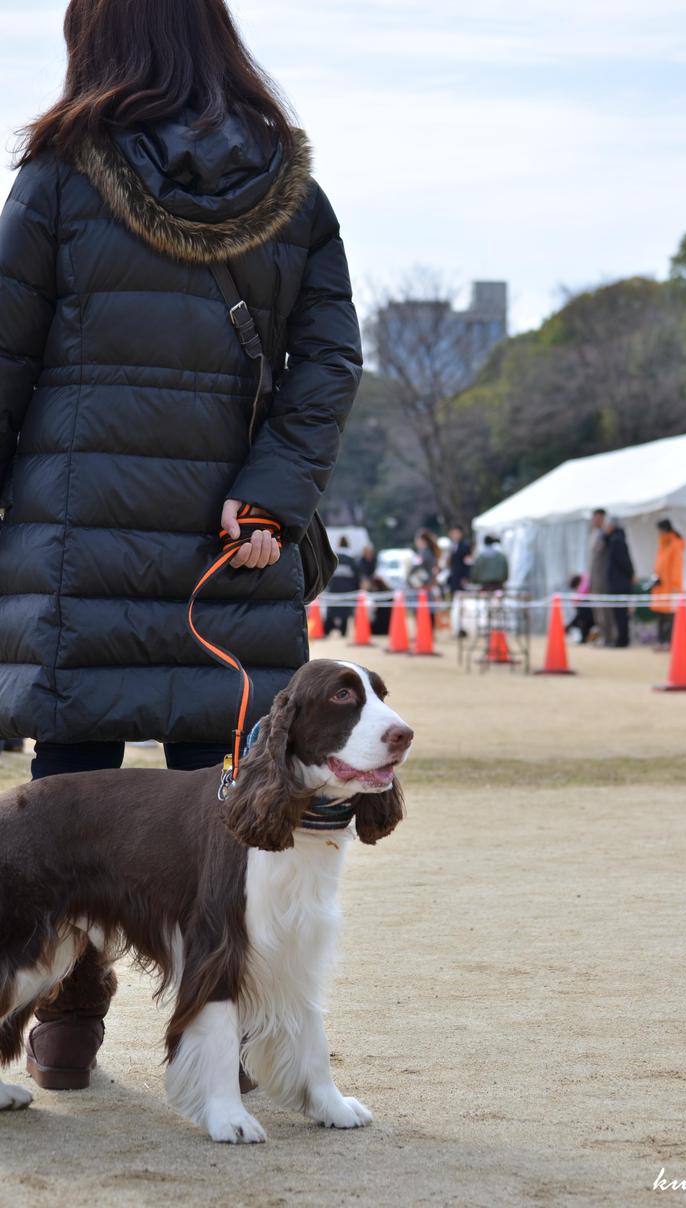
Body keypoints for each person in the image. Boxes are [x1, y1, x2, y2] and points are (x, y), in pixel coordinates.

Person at [0, 0, 361, 1090]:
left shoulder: (59, 178)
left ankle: (67, 1020)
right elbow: (328, 365)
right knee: (222, 797)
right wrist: (267, 499)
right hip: (234, 547)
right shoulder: (291, 192)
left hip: (74, 545)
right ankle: (228, 1030)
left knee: (71, 795)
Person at [651, 519, 686, 650]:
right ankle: (661, 641)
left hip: (670, 587)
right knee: (661, 616)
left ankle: (668, 642)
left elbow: (677, 567)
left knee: (670, 617)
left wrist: (676, 586)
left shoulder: (675, 544)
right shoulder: (663, 544)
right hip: (660, 586)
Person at [603, 518, 635, 647]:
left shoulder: (617, 541)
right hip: (618, 582)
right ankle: (621, 638)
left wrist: (630, 575)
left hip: (620, 583)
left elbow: (625, 562)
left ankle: (622, 639)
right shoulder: (614, 539)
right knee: (619, 613)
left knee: (621, 613)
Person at [588, 507, 614, 646]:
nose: (596, 520)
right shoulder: (594, 533)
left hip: (604, 578)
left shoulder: (606, 534)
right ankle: (602, 635)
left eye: (599, 518)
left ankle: (608, 636)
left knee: (605, 610)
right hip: (595, 577)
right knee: (597, 610)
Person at [324, 536, 360, 637]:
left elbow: (327, 572)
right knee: (345, 611)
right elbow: (357, 576)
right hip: (347, 590)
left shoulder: (334, 556)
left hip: (334, 589)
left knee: (331, 610)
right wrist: (356, 589)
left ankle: (327, 629)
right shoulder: (351, 559)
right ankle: (343, 631)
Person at [565, 573, 594, 644]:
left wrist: (575, 602)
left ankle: (568, 628)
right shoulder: (585, 578)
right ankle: (568, 628)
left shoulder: (585, 582)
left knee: (581, 618)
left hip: (590, 608)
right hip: (588, 608)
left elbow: (581, 595)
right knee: (580, 618)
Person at [447, 524, 472, 595]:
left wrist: (465, 577)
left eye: (456, 533)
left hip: (461, 577)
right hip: (453, 576)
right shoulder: (452, 546)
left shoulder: (465, 546)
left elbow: (468, 563)